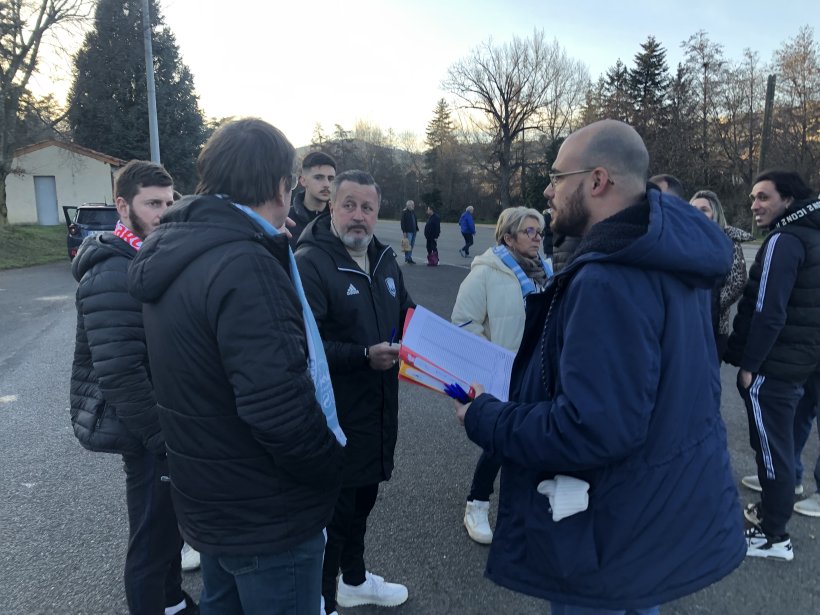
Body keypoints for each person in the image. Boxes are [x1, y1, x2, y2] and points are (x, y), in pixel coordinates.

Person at [454, 119, 743, 613]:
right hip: (651, 514)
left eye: (557, 176)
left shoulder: (609, 280)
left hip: (608, 527)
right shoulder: (671, 257)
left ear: (597, 181)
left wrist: (485, 415)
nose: (547, 189)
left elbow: (592, 427)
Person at [129, 118, 344, 614]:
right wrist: (330, 465)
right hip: (268, 514)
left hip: (213, 501)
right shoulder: (244, 264)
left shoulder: (179, 249)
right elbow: (279, 409)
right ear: (279, 186)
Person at [70, 160, 197, 615]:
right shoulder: (112, 272)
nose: (165, 212)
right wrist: (163, 438)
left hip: (160, 423)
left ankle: (172, 602)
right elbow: (120, 371)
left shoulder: (150, 258)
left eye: (169, 202)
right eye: (153, 203)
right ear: (123, 206)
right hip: (146, 428)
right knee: (150, 539)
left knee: (166, 530)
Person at [295, 170, 414, 615]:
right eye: (349, 205)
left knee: (363, 502)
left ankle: (355, 580)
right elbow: (305, 343)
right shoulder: (311, 262)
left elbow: (408, 314)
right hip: (335, 417)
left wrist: (448, 349)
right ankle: (323, 600)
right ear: (331, 207)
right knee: (335, 517)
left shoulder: (384, 259)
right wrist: (363, 355)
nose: (359, 216)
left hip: (379, 410)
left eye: (367, 207)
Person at [725, 170, 820, 561]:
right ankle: (772, 512)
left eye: (763, 197)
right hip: (800, 361)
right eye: (752, 198)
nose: (754, 205)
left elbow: (768, 310)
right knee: (781, 447)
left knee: (771, 451)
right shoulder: (813, 235)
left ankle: (772, 536)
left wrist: (750, 365)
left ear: (788, 200)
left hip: (774, 366)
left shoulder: (785, 240)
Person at [451, 206, 552, 545]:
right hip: (504, 374)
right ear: (508, 236)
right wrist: (493, 362)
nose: (538, 237)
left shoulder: (547, 270)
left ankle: (531, 508)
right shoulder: (486, 272)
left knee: (538, 437)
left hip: (543, 372)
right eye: (529, 231)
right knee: (499, 441)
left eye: (540, 231)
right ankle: (476, 504)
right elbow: (464, 323)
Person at [689, 189, 753, 360]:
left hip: (714, 327)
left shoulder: (727, 241)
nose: (698, 213)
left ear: (714, 214)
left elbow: (738, 281)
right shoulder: (684, 239)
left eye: (704, 210)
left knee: (708, 380)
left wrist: (712, 302)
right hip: (686, 324)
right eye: (693, 208)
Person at [289, 151, 337, 249]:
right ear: (303, 180)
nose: (327, 184)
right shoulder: (286, 220)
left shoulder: (339, 221)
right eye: (319, 178)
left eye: (331, 178)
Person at [400, 199, 419, 264]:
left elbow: (415, 221)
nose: (414, 206)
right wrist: (404, 232)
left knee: (411, 245)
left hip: (414, 231)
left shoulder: (413, 212)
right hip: (408, 231)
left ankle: (409, 257)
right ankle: (407, 258)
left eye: (413, 205)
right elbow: (402, 223)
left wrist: (416, 228)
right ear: (408, 205)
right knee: (407, 245)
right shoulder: (404, 212)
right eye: (412, 205)